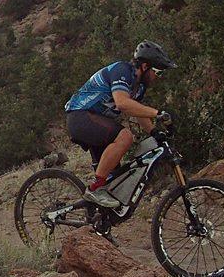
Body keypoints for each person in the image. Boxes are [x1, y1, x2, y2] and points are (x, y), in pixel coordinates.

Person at [64, 41, 176, 208]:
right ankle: (95, 189)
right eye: (158, 72)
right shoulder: (122, 70)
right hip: (81, 117)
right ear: (145, 66)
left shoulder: (139, 86)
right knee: (125, 137)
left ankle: (98, 220)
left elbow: (137, 111)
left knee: (114, 181)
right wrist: (158, 113)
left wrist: (154, 131)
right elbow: (123, 103)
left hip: (96, 121)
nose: (158, 77)